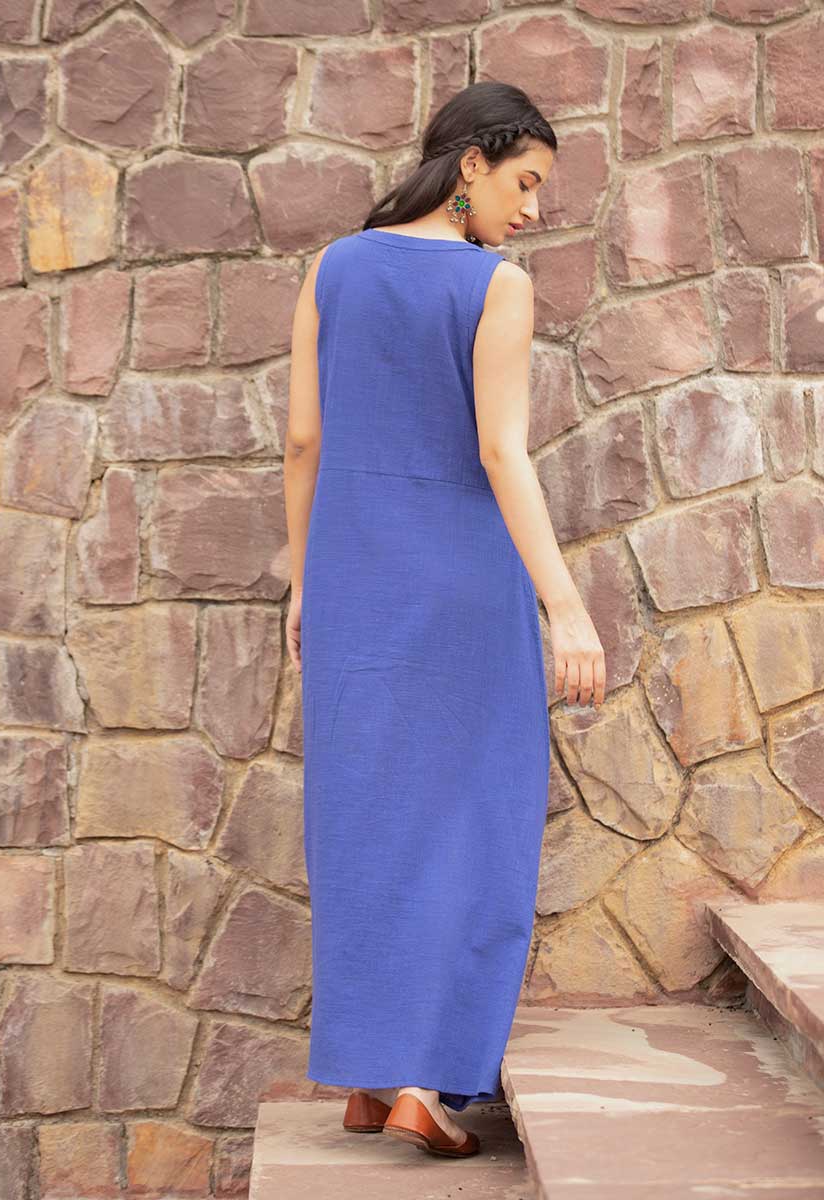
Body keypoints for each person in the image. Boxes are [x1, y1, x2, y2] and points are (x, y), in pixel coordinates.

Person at [281, 80, 606, 1159]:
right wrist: (566, 608)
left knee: (364, 818)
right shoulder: (493, 286)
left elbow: (303, 442)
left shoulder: (333, 266)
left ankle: (371, 1074)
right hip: (464, 590)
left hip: (352, 588)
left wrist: (304, 582)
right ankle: (425, 1083)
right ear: (471, 163)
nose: (532, 209)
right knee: (475, 824)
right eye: (525, 182)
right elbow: (502, 451)